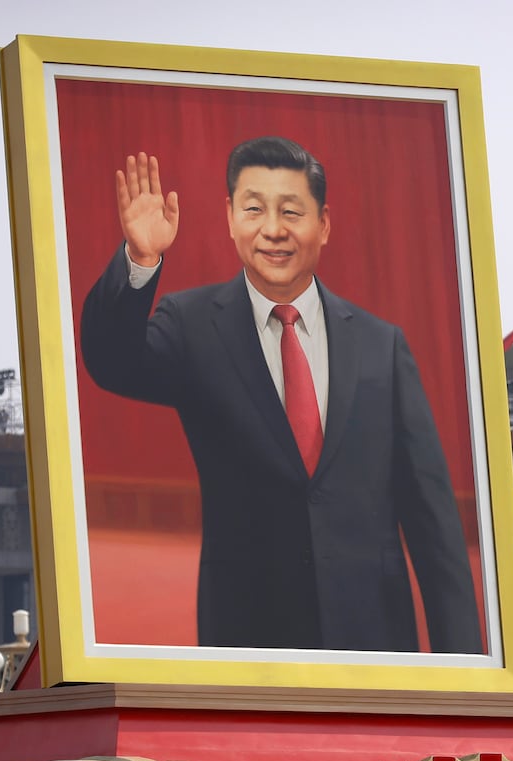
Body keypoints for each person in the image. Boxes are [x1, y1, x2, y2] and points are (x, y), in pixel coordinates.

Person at [79, 137, 482, 654]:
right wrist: (140, 258)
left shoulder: (382, 347)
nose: (273, 229)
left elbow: (435, 527)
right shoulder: (194, 326)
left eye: (292, 211)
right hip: (249, 645)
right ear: (229, 218)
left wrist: (467, 672)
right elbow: (112, 363)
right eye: (253, 209)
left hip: (376, 647)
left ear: (324, 224)